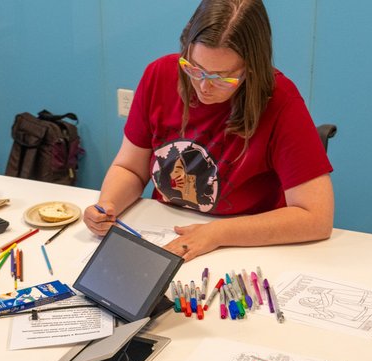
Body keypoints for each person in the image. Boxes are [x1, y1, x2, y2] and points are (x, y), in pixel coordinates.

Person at [84, 0, 334, 262]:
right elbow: (131, 169)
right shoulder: (159, 75)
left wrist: (217, 233)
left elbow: (315, 217)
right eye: (194, 69)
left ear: (251, 69)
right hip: (168, 231)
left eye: (222, 78)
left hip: (244, 245)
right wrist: (108, 205)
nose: (203, 86)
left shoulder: (281, 101)